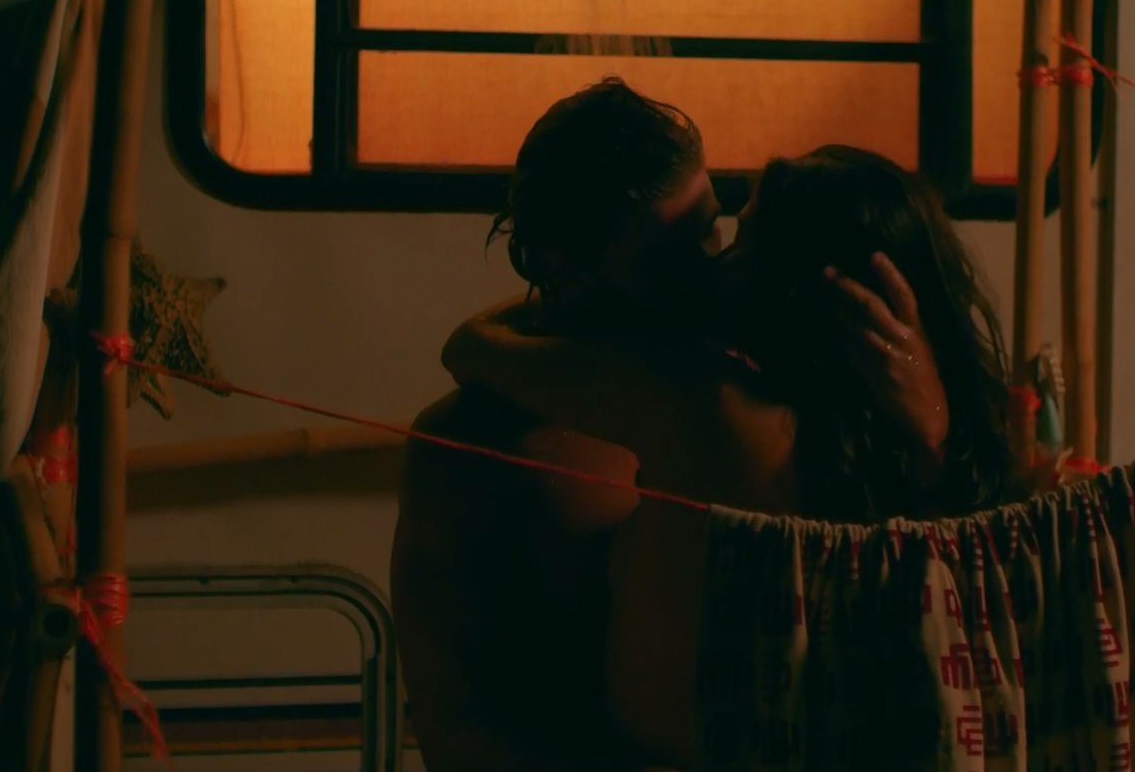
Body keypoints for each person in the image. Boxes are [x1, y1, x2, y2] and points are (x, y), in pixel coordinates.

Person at [392, 82, 949, 772]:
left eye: (710, 231)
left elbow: (912, 585)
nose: (709, 275)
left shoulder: (759, 384)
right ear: (564, 269)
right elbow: (455, 721)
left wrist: (929, 424)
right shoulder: (469, 447)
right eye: (664, 262)